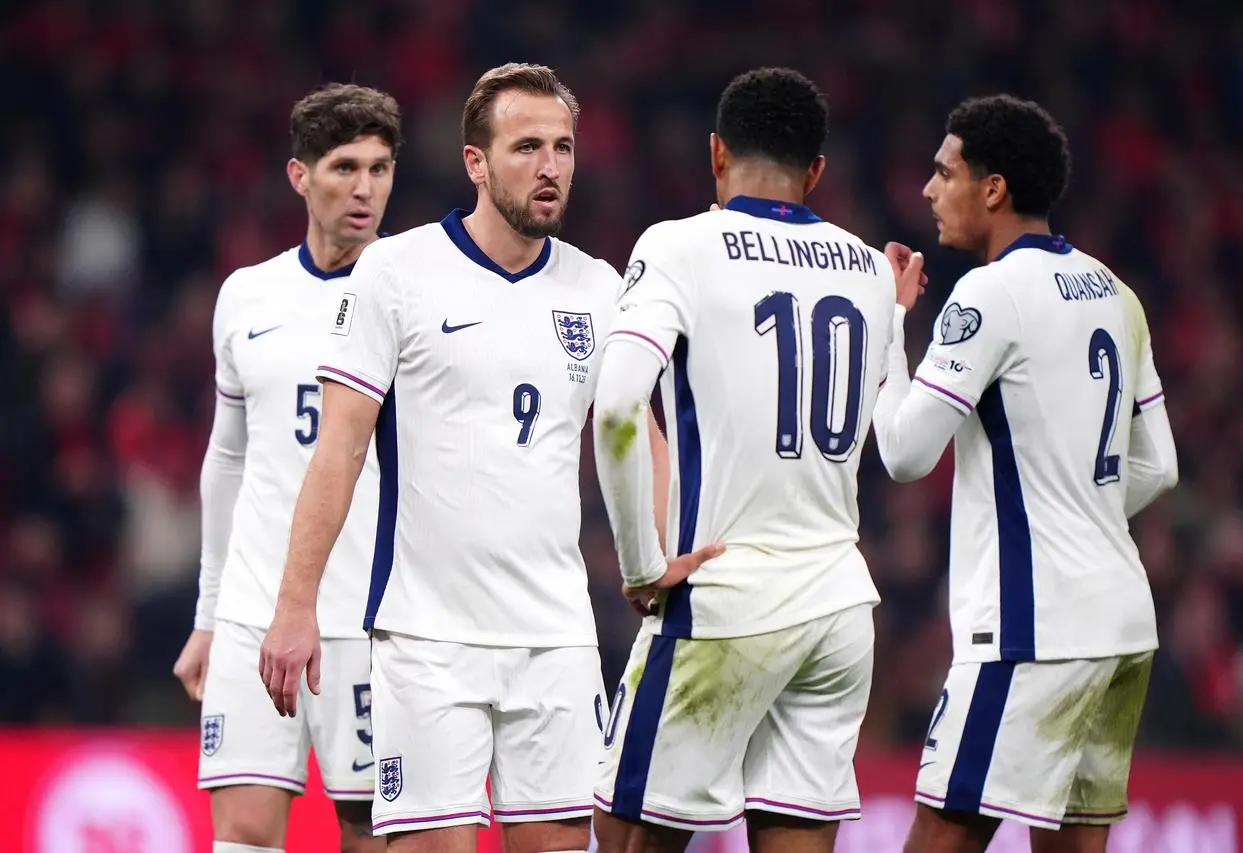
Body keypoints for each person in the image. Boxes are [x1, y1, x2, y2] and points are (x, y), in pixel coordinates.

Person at [257, 63, 670, 853]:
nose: (551, 167)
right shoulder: (398, 272)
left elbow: (636, 437)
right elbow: (338, 449)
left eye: (563, 147)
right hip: (427, 640)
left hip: (556, 638)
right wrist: (296, 603)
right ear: (476, 162)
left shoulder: (597, 287)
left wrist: (658, 564)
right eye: (527, 148)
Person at [590, 67, 899, 853]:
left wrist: (641, 561)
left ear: (716, 154)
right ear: (817, 171)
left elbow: (622, 404)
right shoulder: (870, 269)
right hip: (836, 603)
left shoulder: (680, 245)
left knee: (624, 835)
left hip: (724, 596)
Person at [872, 94, 1179, 853]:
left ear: (994, 188)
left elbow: (906, 454)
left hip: (1029, 629)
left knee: (940, 833)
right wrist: (1078, 512)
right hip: (1121, 624)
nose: (927, 190)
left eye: (944, 173)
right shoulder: (1118, 293)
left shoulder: (989, 292)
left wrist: (887, 324)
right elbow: (1160, 466)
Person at [171, 82, 402, 853]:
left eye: (379, 167)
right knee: (241, 833)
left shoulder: (418, 295)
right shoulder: (248, 295)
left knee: (369, 833)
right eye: (344, 167)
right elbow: (229, 456)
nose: (364, 188)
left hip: (372, 620)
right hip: (252, 612)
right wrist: (209, 614)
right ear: (299, 175)